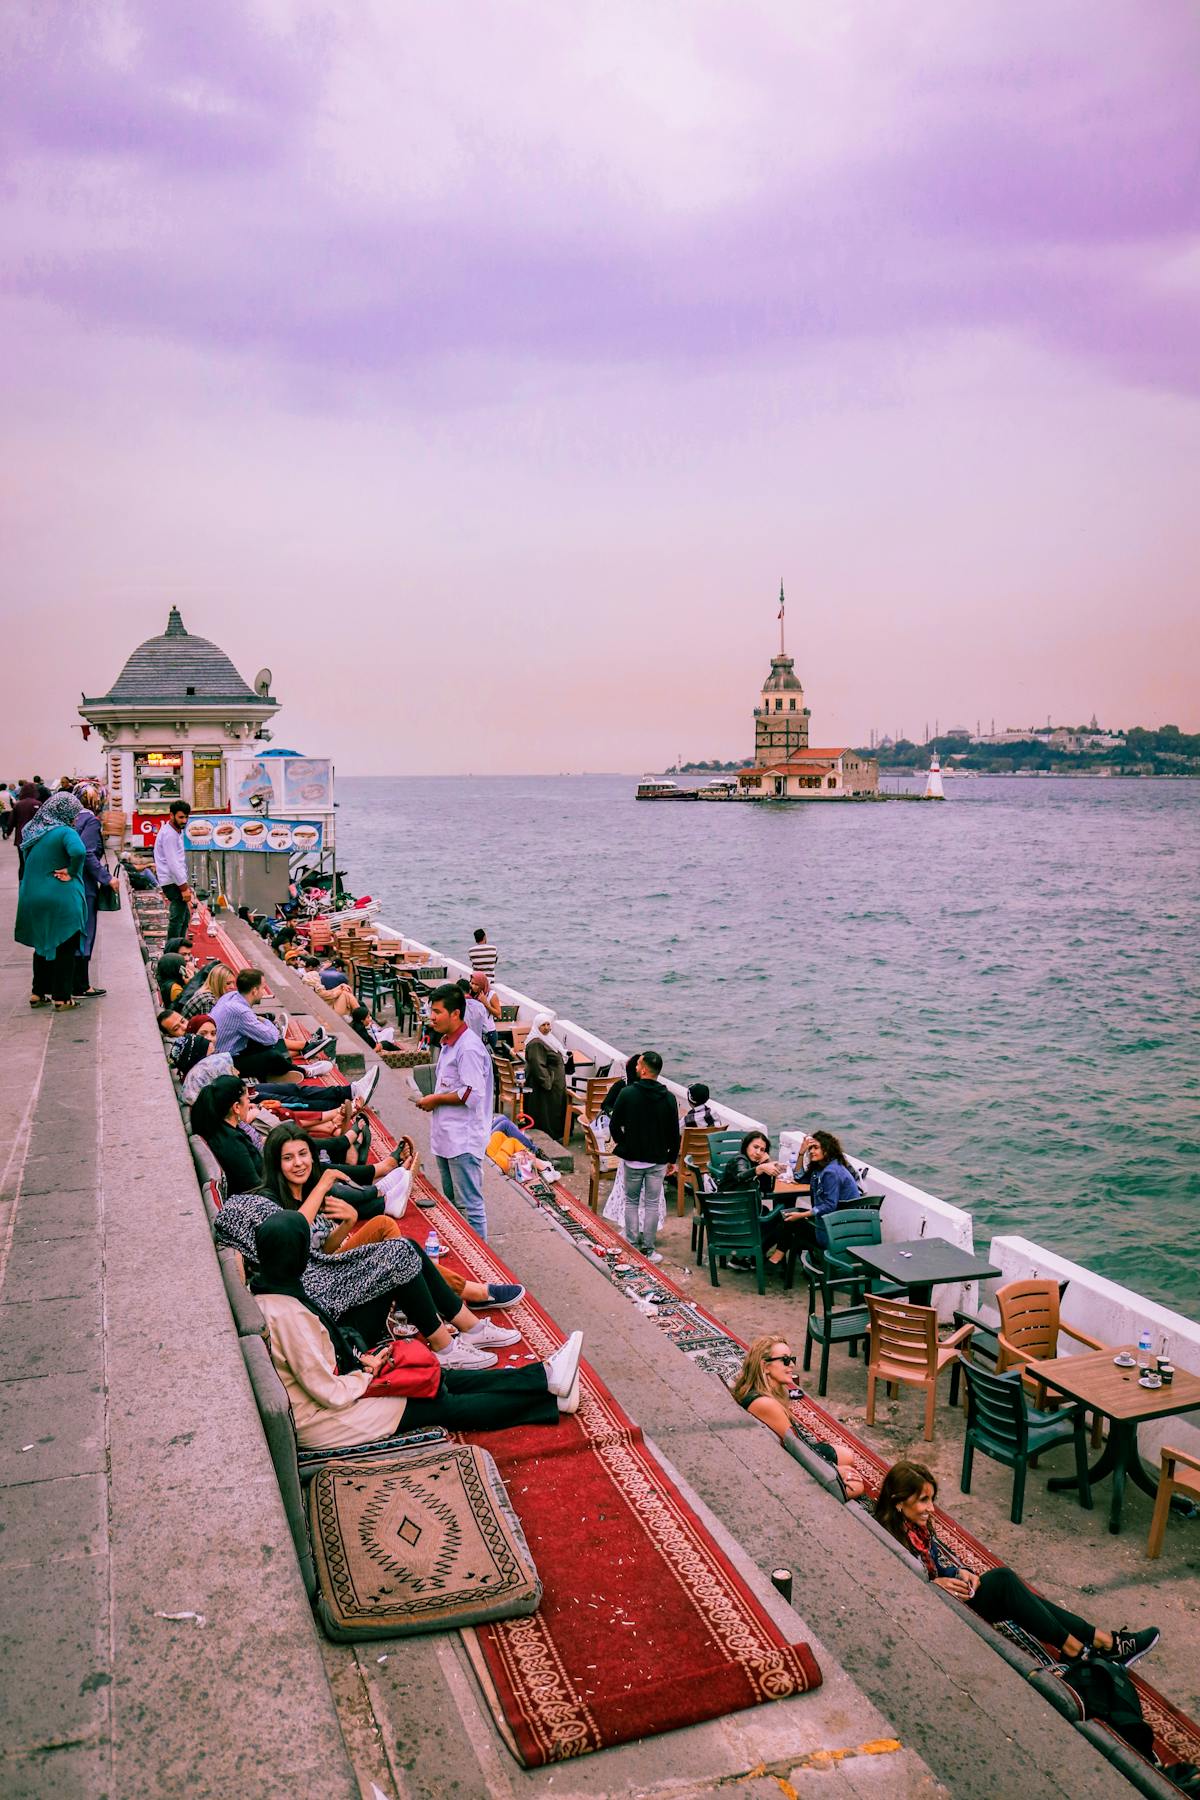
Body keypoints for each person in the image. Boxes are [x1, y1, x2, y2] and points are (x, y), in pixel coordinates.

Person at [250, 1212, 582, 1446]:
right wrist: (369, 1375)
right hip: (325, 1419)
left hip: (334, 1394)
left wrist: (366, 1366)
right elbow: (328, 1392)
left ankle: (546, 1378)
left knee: (437, 1376)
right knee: (440, 1403)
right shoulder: (287, 1315)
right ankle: (550, 1402)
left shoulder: (273, 1292)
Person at [215, 1175, 518, 1371]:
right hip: (338, 1318)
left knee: (405, 1245)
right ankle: (445, 1347)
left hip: (325, 1274)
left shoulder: (285, 1217)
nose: (299, 1164)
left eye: (303, 1154)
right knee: (397, 1258)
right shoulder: (270, 1262)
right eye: (289, 1158)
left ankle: (471, 1328)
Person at [875, 1461, 1159, 1668]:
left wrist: (958, 1572)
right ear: (899, 1502)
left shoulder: (913, 1527)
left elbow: (934, 1565)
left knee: (1013, 1590)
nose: (931, 1508)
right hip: (935, 1612)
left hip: (946, 1595)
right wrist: (933, 1585)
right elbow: (898, 1593)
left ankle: (1103, 1642)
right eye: (923, 1500)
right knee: (1006, 1582)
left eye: (932, 1499)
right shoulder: (890, 1541)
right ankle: (1081, 1649)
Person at [732, 1336, 864, 1499]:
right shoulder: (766, 1404)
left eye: (792, 1359)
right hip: (791, 1463)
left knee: (847, 1456)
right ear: (765, 1366)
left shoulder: (764, 1394)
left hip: (788, 1451)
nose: (792, 1365)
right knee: (855, 1478)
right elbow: (797, 1448)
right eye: (786, 1360)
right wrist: (834, 1470)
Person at [415, 983, 494, 1241]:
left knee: (471, 1205)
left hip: (463, 1138)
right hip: (446, 1135)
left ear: (455, 1014)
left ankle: (482, 1258)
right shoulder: (449, 1043)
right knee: (452, 1202)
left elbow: (472, 1093)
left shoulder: (468, 1048)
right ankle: (462, 1246)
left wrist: (436, 1099)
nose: (432, 1017)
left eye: (437, 1012)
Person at [14, 791, 88, 1009]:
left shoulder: (34, 832)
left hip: (31, 895)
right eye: (74, 814)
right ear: (64, 813)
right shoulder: (65, 831)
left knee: (42, 943)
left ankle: (38, 992)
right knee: (65, 944)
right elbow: (79, 851)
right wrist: (71, 871)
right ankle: (62, 997)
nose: (76, 819)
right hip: (59, 897)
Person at [608, 1050, 680, 1264]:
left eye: (639, 1064)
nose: (636, 1067)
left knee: (631, 1201)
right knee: (651, 1204)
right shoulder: (668, 1098)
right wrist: (671, 1159)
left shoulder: (628, 1093)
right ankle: (649, 1249)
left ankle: (631, 1242)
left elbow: (614, 1124)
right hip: (657, 1158)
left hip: (633, 1157)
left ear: (645, 1069)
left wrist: (624, 1143)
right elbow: (674, 1133)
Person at [70, 785, 115, 998]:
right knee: (85, 931)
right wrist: (107, 879)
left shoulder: (70, 819)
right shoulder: (90, 821)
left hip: (69, 883)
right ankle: (81, 985)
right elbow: (87, 853)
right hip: (85, 884)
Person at [521, 1011, 569, 1139]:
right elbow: (537, 1065)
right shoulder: (536, 1043)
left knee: (553, 1111)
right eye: (543, 1025)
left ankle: (555, 1133)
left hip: (554, 1083)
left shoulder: (548, 1039)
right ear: (537, 1026)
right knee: (546, 1112)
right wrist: (548, 1082)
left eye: (548, 1024)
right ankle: (548, 1135)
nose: (547, 1027)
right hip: (546, 1087)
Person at [152, 800, 194, 942]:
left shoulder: (175, 831)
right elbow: (173, 863)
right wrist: (184, 888)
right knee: (177, 918)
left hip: (175, 879)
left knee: (185, 916)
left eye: (186, 817)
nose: (184, 820)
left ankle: (180, 946)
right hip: (172, 881)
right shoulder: (169, 834)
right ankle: (173, 950)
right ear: (172, 815)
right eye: (181, 817)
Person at [11, 782, 44, 871]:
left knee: (22, 863)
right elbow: (43, 821)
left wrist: (8, 831)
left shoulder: (18, 804)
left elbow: (12, 821)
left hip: (20, 838)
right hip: (35, 837)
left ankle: (22, 882)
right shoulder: (38, 804)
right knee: (34, 862)